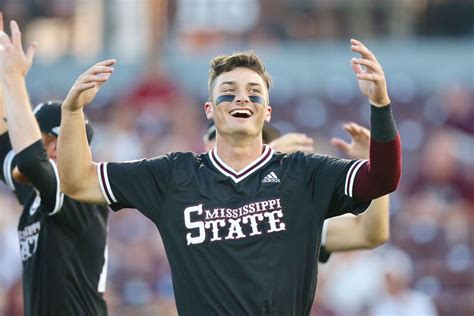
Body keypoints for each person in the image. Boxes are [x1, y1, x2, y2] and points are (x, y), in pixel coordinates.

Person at [57, 39, 401, 315]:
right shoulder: (174, 175)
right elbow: (77, 182)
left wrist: (381, 105)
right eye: (229, 89)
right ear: (209, 109)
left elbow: (382, 181)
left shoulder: (301, 174)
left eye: (254, 91)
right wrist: (72, 112)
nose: (241, 97)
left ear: (266, 112)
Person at [0, 16, 108, 316]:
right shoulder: (38, 195)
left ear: (57, 145)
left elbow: (31, 159)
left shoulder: (77, 192)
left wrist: (14, 80)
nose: (26, 138)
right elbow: (2, 140)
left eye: (38, 135)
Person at [204, 120, 390, 263]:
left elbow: (369, 234)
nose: (249, 148)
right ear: (206, 145)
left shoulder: (289, 212)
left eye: (259, 141)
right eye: (232, 139)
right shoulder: (186, 196)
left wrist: (373, 169)